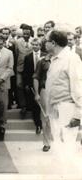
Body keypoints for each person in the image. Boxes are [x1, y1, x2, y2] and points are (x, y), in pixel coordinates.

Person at [45, 30, 82, 166]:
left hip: (67, 108)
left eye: (46, 41)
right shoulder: (55, 59)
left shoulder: (72, 58)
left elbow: (78, 86)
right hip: (55, 108)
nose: (45, 43)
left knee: (67, 148)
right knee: (58, 147)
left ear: (53, 43)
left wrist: (78, 115)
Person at [23, 38, 45, 134]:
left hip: (44, 84)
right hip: (33, 85)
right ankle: (38, 125)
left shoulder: (45, 56)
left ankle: (46, 125)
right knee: (35, 106)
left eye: (37, 45)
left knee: (44, 105)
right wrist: (27, 84)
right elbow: (26, 72)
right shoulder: (28, 57)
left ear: (40, 46)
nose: (35, 46)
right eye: (33, 44)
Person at [33, 50, 52, 152]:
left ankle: (59, 141)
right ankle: (46, 143)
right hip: (45, 90)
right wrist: (36, 93)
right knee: (45, 117)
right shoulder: (42, 61)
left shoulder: (64, 60)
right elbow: (36, 77)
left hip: (59, 91)